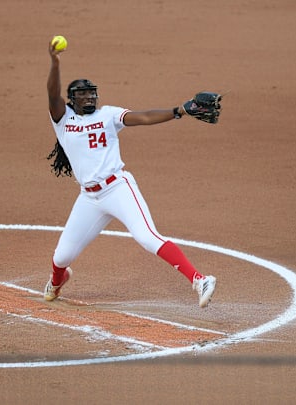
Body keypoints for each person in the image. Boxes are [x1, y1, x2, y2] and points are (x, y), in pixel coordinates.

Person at [44, 38, 217, 308]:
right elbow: (52, 94)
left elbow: (144, 116)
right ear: (71, 100)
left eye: (92, 93)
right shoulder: (64, 119)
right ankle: (57, 281)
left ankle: (199, 279)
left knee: (147, 237)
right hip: (88, 199)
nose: (89, 97)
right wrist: (55, 62)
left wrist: (179, 111)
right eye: (83, 94)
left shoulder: (108, 115)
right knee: (62, 256)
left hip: (118, 188)